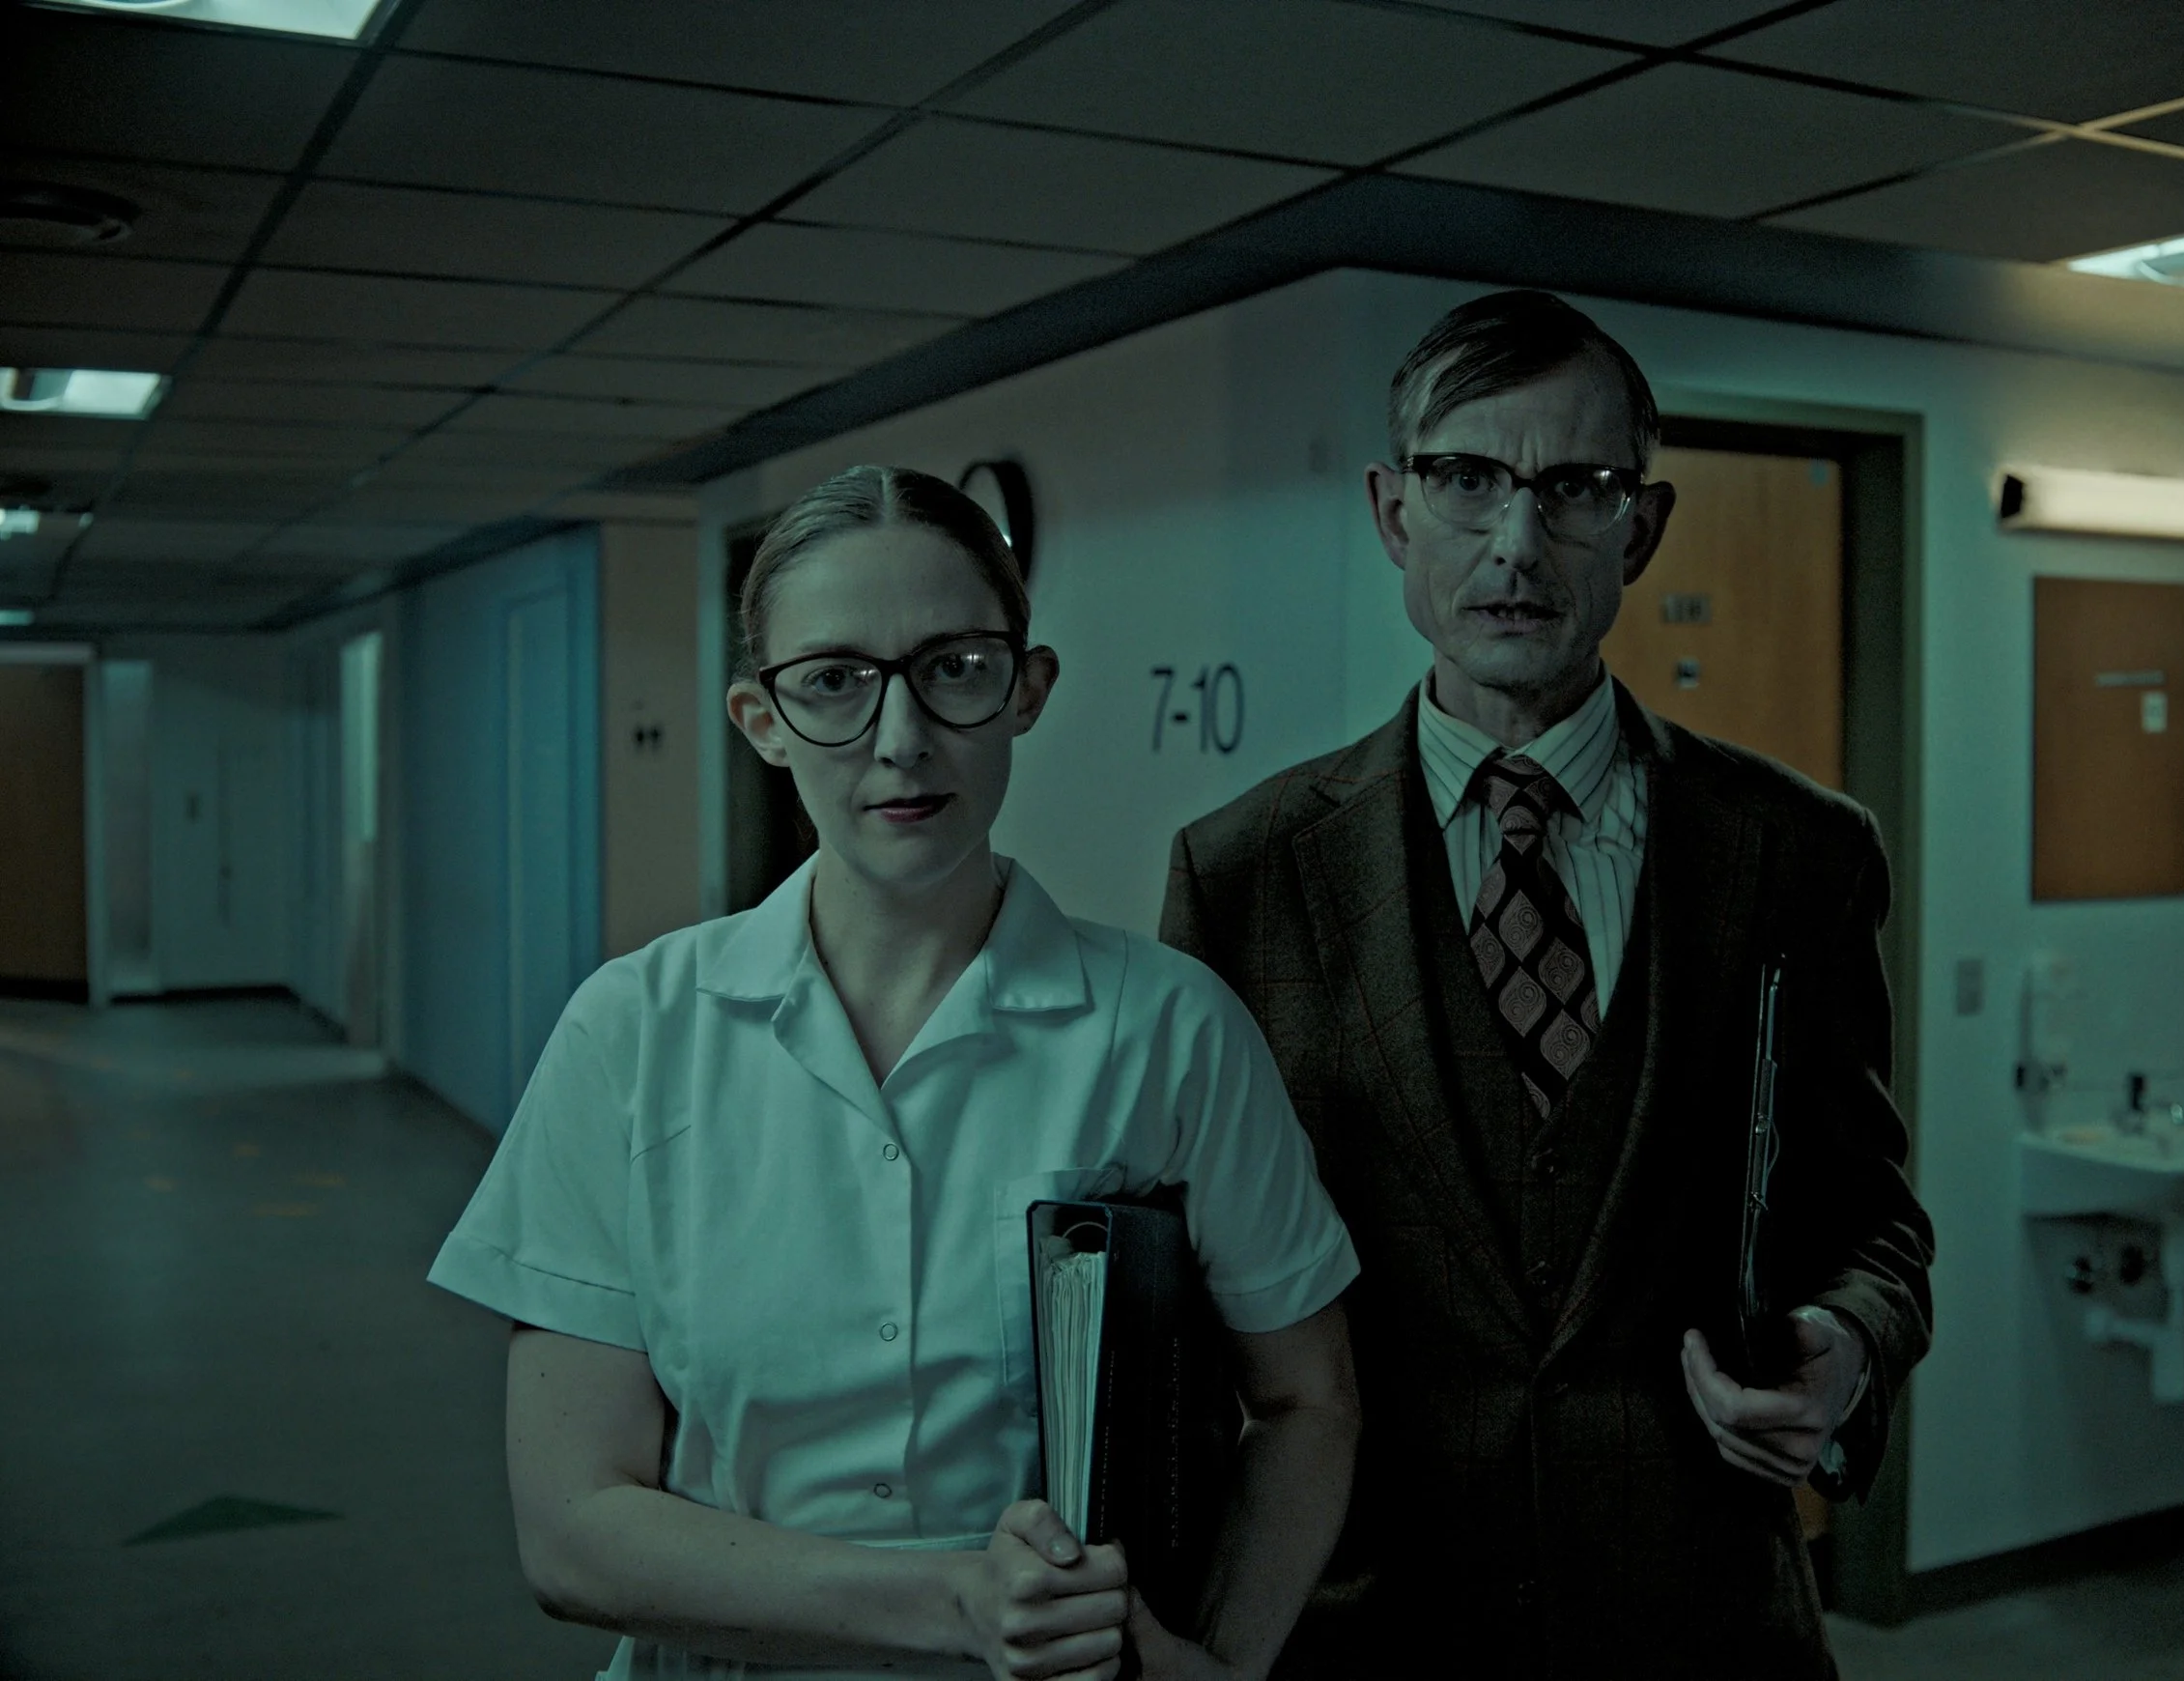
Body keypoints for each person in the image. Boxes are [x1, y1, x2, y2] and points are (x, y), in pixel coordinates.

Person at [430, 466, 1361, 1681]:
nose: (901, 738)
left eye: (954, 668)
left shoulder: (1167, 1029)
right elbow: (572, 1535)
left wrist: (1219, 1666)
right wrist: (950, 1602)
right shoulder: (633, 1033)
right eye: (833, 682)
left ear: (1027, 689)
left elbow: (1308, 1402)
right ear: (760, 721)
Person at [1160, 292, 1935, 1677]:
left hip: (1706, 1622)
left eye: (1574, 488)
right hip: (1365, 1626)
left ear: (1642, 527)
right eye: (1467, 481)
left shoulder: (1802, 856)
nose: (1517, 543)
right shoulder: (1246, 877)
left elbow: (1873, 1222)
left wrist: (1846, 1344)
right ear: (1395, 513)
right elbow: (1191, 1298)